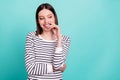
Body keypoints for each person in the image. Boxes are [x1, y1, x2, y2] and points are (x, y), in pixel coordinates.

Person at [25, 3, 70, 80]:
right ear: (37, 21)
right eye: (41, 18)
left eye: (49, 17)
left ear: (54, 18)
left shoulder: (65, 40)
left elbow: (57, 65)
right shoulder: (31, 37)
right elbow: (30, 68)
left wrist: (59, 40)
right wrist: (57, 67)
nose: (46, 21)